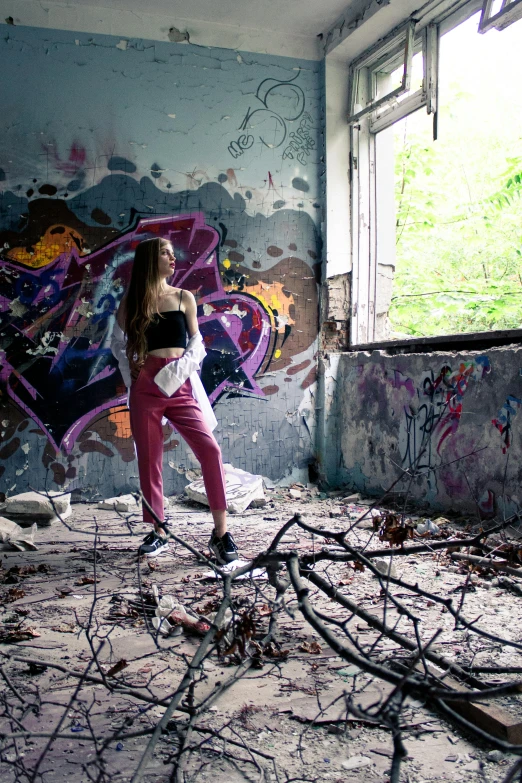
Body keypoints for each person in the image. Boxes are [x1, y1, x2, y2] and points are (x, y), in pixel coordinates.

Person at [110, 236, 238, 563]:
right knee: (149, 459)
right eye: (165, 252)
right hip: (147, 385)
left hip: (180, 382)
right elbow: (117, 341)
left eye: (172, 251)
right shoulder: (134, 300)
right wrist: (135, 373)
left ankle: (220, 534)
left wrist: (179, 369)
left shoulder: (184, 298)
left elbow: (197, 343)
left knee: (210, 450)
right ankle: (158, 530)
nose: (172, 257)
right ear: (151, 259)